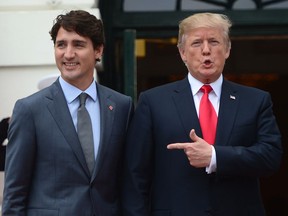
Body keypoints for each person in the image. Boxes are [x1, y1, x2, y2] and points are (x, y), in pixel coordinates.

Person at [122, 12, 282, 216]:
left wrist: (215, 157)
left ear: (227, 49)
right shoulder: (153, 101)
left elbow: (270, 157)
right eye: (197, 43)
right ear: (182, 53)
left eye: (214, 42)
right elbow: (135, 175)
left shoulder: (256, 100)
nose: (206, 50)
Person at [2, 10, 133, 215]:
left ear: (98, 50)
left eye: (78, 44)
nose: (68, 54)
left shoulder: (121, 106)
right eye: (61, 44)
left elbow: (127, 181)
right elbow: (14, 192)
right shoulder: (29, 110)